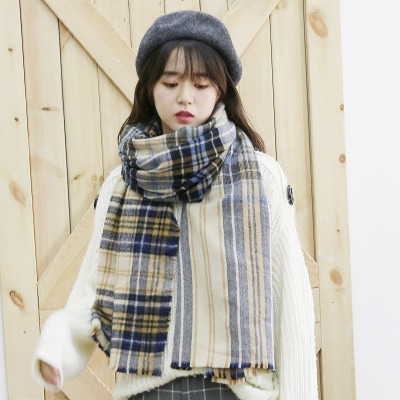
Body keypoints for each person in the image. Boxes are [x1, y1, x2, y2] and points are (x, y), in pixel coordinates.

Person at [33, 10, 318, 400]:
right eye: (170, 83)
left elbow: (291, 305)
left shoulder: (261, 178)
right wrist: (56, 349)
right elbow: (94, 296)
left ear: (221, 91)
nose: (185, 96)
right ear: (150, 88)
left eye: (201, 84)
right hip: (148, 392)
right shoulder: (122, 184)